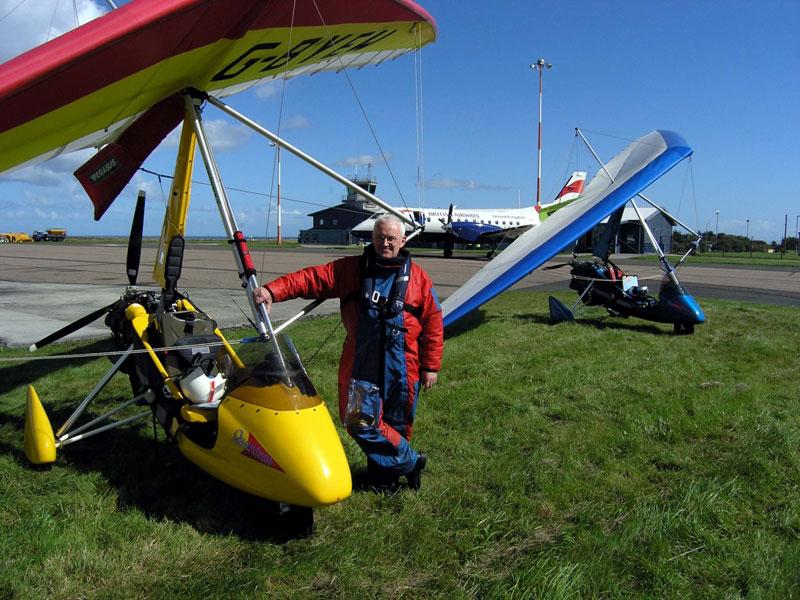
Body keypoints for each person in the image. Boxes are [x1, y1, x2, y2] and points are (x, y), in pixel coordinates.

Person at [253, 214, 443, 491]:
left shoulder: (419, 280)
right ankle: (411, 462)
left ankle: (384, 480)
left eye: (391, 238)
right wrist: (273, 291)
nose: (385, 243)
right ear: (372, 239)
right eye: (380, 237)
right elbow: (313, 279)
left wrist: (431, 367)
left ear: (402, 240)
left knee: (397, 425)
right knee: (359, 423)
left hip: (404, 365)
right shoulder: (353, 269)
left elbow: (434, 322)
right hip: (361, 362)